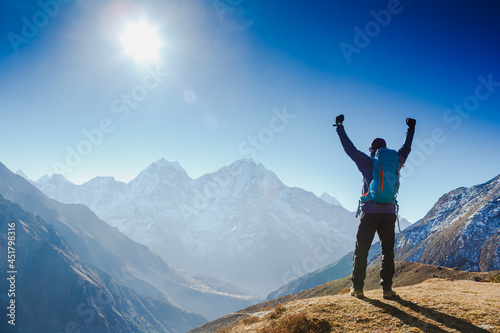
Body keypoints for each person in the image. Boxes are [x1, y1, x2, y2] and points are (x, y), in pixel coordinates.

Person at [334, 114, 415, 299]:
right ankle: (387, 290)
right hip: (388, 213)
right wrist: (411, 128)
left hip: (370, 213)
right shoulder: (396, 161)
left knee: (361, 250)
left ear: (372, 150)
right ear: (385, 149)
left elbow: (350, 149)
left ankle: (358, 289)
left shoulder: (368, 162)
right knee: (387, 252)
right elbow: (407, 148)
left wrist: (339, 127)